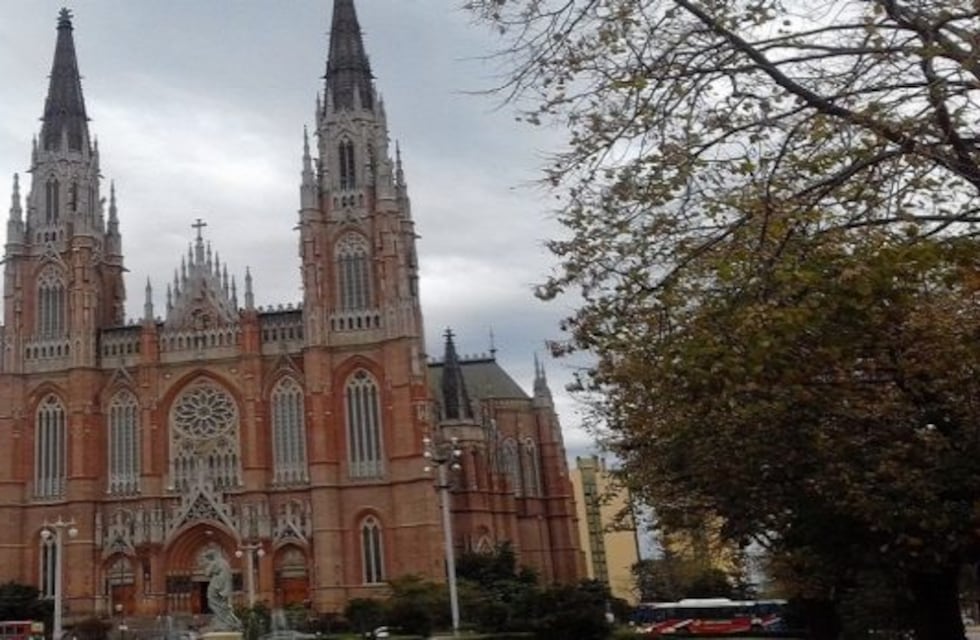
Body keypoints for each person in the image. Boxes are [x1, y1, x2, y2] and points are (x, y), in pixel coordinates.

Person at [201, 549, 241, 631]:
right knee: (221, 605)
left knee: (212, 602)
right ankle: (227, 621)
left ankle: (224, 621)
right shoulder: (224, 562)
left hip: (216, 585)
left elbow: (207, 573)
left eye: (208, 557)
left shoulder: (215, 562)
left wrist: (206, 564)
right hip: (223, 586)